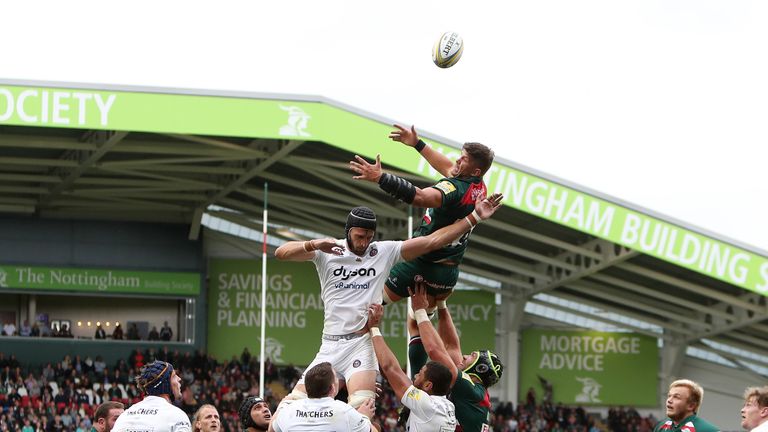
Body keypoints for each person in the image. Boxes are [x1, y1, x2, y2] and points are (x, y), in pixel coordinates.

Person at [274, 193, 502, 409]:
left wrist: (474, 217)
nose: (364, 242)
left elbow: (432, 241)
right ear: (348, 231)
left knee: (361, 410)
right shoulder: (327, 250)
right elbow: (281, 253)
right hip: (329, 344)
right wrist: (313, 244)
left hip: (361, 344)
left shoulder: (383, 251)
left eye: (369, 237)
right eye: (359, 236)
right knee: (290, 407)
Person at [349, 124, 496, 308]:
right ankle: (428, 314)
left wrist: (381, 178)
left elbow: (421, 197)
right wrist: (417, 143)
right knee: (420, 325)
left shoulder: (454, 189)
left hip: (422, 262)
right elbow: (448, 167)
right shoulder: (479, 187)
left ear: (475, 171)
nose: (457, 160)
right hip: (449, 274)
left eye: (463, 159)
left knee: (367, 305)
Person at [407, 282, 503, 432]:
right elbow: (451, 345)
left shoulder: (469, 389)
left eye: (471, 356)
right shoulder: (473, 388)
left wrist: (420, 311)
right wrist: (441, 303)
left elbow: (435, 351)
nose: (464, 356)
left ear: (480, 369)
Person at [366, 303, 457, 432]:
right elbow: (393, 375)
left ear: (428, 385)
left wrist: (374, 327)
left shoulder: (427, 405)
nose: (415, 375)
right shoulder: (447, 406)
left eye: (420, 374)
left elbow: (391, 367)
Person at [270, 362, 379, 432]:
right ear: (332, 388)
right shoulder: (344, 411)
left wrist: (282, 406)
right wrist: (364, 417)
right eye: (337, 378)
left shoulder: (288, 410)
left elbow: (271, 429)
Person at [112, 360, 191, 432]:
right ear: (166, 384)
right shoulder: (177, 416)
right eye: (174, 376)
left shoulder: (124, 416)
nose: (179, 379)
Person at [653, 379, 719, 432]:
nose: (669, 400)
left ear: (691, 406)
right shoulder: (660, 427)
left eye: (676, 397)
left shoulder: (709, 430)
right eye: (669, 396)